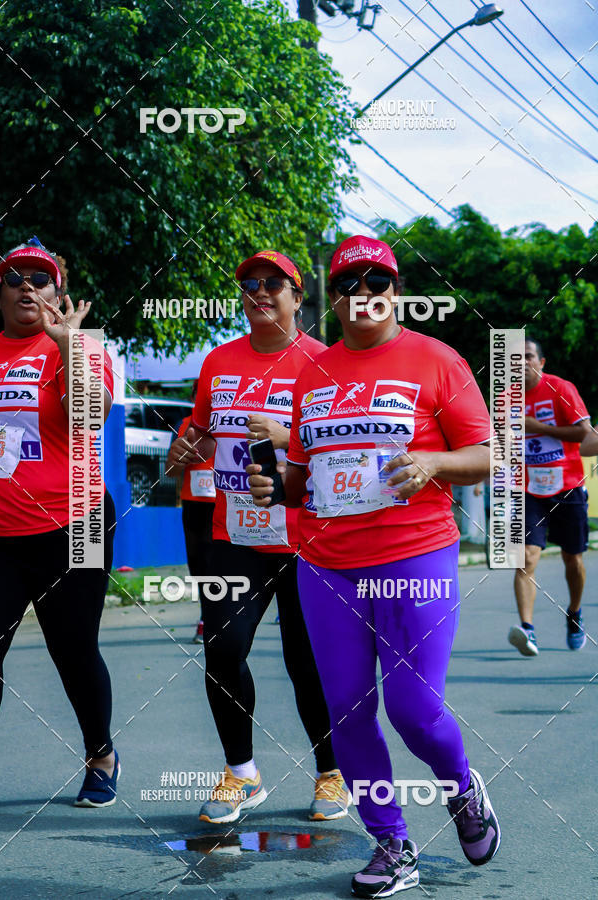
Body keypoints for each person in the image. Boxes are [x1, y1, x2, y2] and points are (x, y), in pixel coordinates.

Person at [248, 235, 500, 897]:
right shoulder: (314, 372)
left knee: (414, 710)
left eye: (377, 285)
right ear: (332, 298)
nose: (364, 297)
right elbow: (304, 473)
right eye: (350, 286)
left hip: (416, 556)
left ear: (396, 292)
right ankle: (390, 842)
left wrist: (434, 464)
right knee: (348, 712)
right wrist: (281, 488)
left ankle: (462, 788)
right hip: (327, 565)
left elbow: (487, 454)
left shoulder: (436, 359)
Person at [167, 249, 350, 824]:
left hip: (306, 538)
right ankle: (242, 774)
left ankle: (331, 773)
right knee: (222, 649)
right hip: (235, 533)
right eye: (249, 284)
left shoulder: (327, 363)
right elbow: (200, 429)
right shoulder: (219, 361)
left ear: (299, 296)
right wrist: (185, 449)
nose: (261, 292)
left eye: (275, 283)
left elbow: (348, 448)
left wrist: (288, 431)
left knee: (307, 661)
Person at [0, 236, 119, 806]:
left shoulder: (84, 346)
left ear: (58, 293)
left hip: (79, 523)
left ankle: (101, 752)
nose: (28, 284)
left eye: (40, 278)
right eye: (15, 276)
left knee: (73, 648)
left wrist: (68, 345)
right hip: (1, 533)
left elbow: (89, 416)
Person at [508, 338, 591, 656]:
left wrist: (538, 427)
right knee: (526, 556)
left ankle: (574, 612)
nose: (522, 363)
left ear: (541, 362)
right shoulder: (505, 398)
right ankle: (527, 630)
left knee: (574, 559)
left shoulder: (560, 388)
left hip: (566, 485)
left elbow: (584, 433)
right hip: (527, 489)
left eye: (528, 357)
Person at [166, 379, 216, 644]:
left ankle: (212, 619)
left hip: (226, 506)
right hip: (194, 505)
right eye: (200, 396)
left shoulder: (234, 423)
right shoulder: (185, 424)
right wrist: (179, 458)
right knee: (199, 564)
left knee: (221, 563)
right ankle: (207, 614)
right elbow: (170, 471)